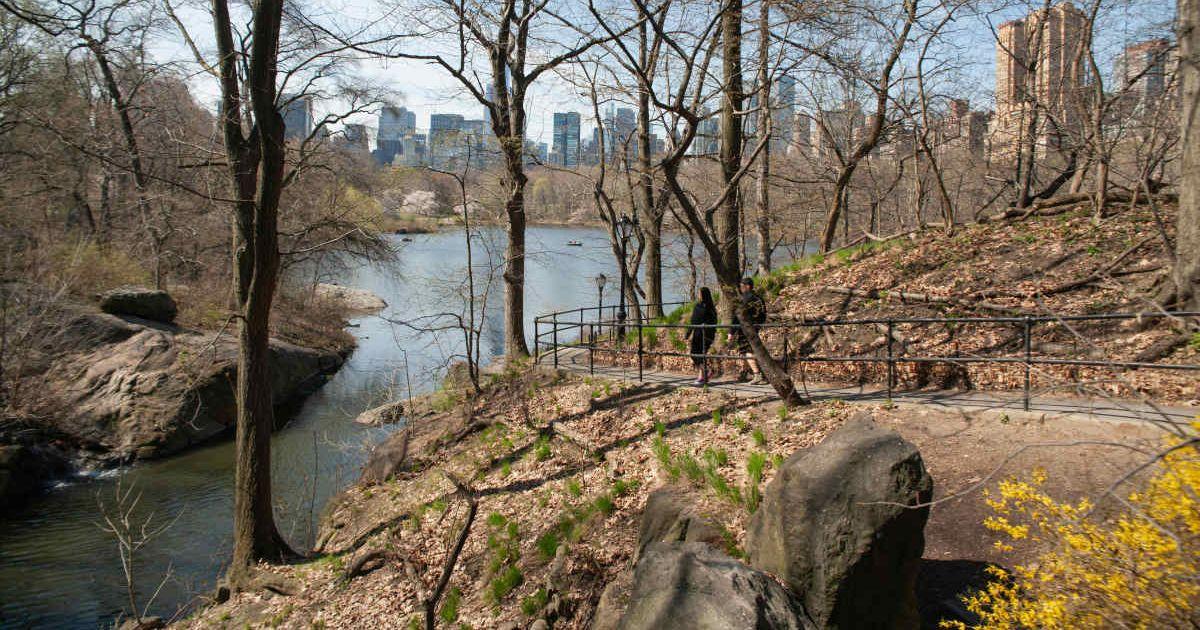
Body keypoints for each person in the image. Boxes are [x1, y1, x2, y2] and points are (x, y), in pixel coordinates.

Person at [729, 277, 767, 384]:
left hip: (745, 328)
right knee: (744, 351)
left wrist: (731, 332)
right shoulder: (759, 298)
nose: (740, 288)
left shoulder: (745, 299)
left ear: (747, 286)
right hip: (754, 327)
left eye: (742, 286)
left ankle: (757, 374)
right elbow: (764, 314)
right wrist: (758, 325)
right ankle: (745, 372)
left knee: (747, 351)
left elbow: (737, 316)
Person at [686, 287, 718, 385]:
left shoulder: (699, 307)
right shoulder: (711, 307)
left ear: (702, 295)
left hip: (700, 334)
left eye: (699, 293)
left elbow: (694, 321)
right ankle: (701, 377)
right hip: (709, 335)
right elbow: (714, 321)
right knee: (701, 354)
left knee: (695, 354)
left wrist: (688, 334)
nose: (698, 295)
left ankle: (707, 371)